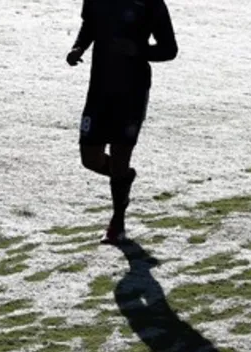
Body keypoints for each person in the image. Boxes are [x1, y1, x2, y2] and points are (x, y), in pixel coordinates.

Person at [67, 0, 178, 244]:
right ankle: (123, 179)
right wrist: (78, 48)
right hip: (99, 90)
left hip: (132, 91)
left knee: (119, 158)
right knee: (90, 159)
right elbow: (90, 25)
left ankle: (117, 222)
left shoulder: (152, 4)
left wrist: (137, 49)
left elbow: (170, 49)